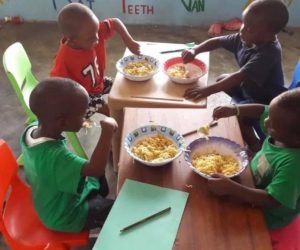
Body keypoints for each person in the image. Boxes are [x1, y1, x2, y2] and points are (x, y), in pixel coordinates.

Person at [20, 77, 118, 232]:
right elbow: (96, 169)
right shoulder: (55, 157)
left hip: (49, 198)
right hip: (65, 215)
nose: (86, 116)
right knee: (118, 210)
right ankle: (99, 209)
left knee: (95, 176)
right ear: (62, 122)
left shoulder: (31, 130)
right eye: (83, 114)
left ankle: (98, 197)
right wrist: (107, 132)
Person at [208, 88, 300, 249]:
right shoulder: (284, 129)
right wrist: (235, 109)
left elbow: (273, 200)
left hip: (268, 216)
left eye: (273, 126)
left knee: (219, 232)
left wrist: (232, 188)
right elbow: (262, 109)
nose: (266, 122)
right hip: (250, 183)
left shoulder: (294, 165)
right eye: (270, 117)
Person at [182, 0, 288, 105]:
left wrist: (206, 90)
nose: (242, 30)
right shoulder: (246, 37)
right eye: (244, 23)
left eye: (250, 28)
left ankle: (245, 113)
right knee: (222, 79)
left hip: (265, 101)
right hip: (250, 88)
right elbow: (217, 42)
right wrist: (195, 50)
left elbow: (240, 77)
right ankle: (242, 103)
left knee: (238, 112)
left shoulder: (269, 53)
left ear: (269, 34)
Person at [50, 3, 140, 118]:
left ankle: (133, 114)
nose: (97, 38)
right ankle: (117, 132)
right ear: (72, 41)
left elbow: (115, 22)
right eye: (91, 38)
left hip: (98, 84)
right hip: (81, 98)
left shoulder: (91, 30)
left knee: (121, 85)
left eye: (97, 32)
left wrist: (129, 41)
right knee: (109, 109)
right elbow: (56, 88)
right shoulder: (63, 59)